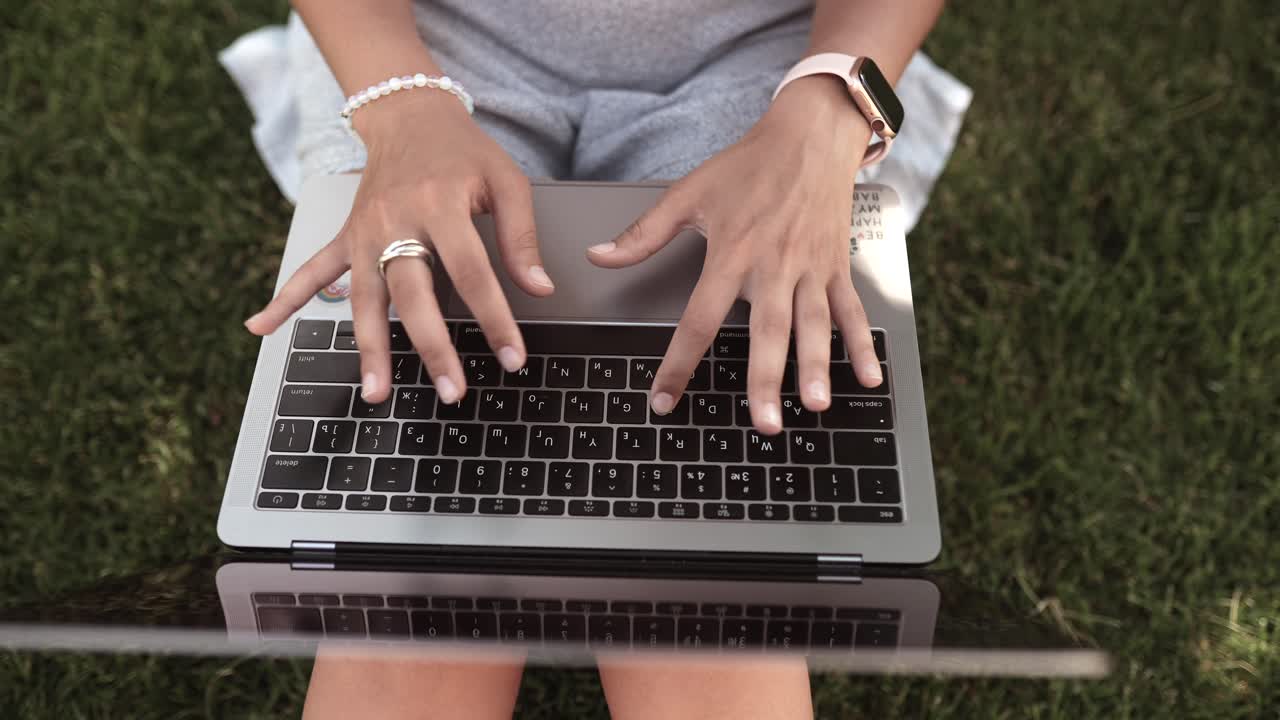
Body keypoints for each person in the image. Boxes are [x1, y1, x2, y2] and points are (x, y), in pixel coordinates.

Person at [242, 2, 945, 716]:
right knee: (421, 489)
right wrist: (396, 102)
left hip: (767, 59)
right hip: (424, 39)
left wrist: (828, 106)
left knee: (711, 497)